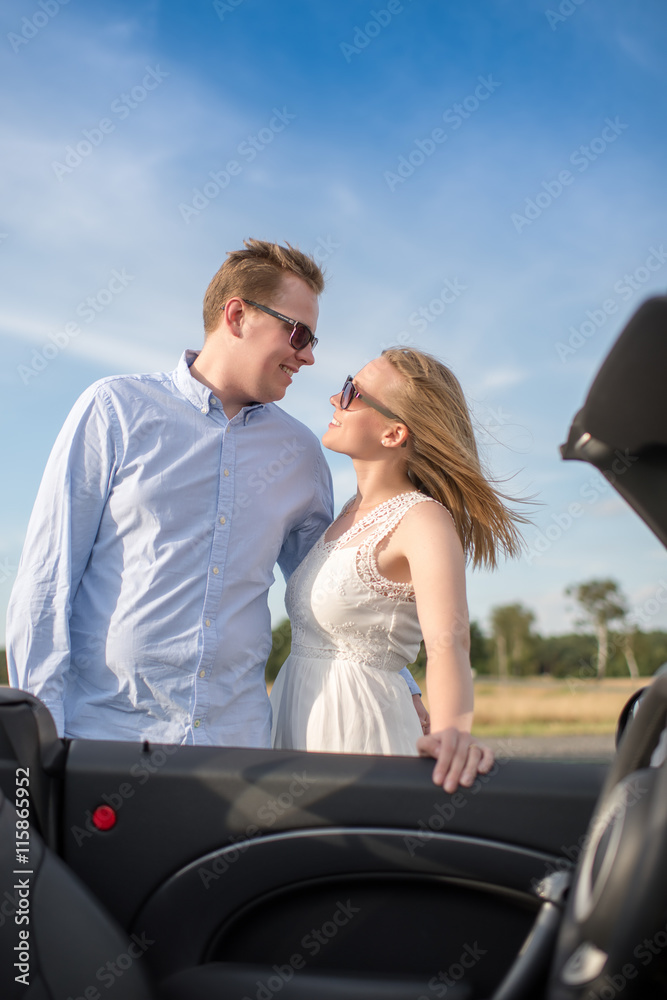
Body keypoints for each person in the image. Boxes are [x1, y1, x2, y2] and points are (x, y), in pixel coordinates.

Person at [6, 238, 423, 746]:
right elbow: (47, 584)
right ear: (237, 316)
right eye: (298, 333)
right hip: (104, 738)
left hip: (239, 747)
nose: (309, 356)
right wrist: (32, 743)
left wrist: (405, 686)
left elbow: (331, 593)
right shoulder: (114, 409)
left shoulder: (301, 452)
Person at [271, 348, 527, 791]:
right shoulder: (344, 513)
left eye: (353, 393)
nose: (336, 397)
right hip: (298, 720)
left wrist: (451, 732)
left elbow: (450, 643)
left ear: (394, 433)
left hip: (361, 732)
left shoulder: (422, 520)